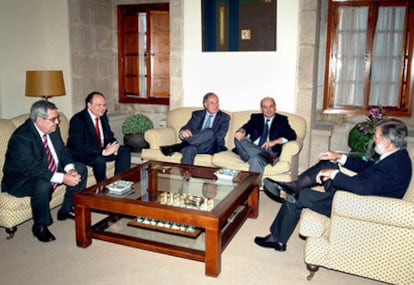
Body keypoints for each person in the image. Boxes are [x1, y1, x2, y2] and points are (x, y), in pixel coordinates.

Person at [255, 118, 412, 252]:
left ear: (388, 142)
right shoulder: (396, 155)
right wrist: (340, 157)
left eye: (376, 137)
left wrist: (334, 174)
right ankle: (294, 184)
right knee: (327, 163)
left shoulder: (396, 166)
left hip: (357, 205)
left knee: (299, 196)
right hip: (357, 193)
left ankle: (277, 238)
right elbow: (369, 168)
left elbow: (364, 189)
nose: (373, 139)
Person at [1, 100, 87, 242]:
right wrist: (63, 178)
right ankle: (40, 226)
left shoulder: (52, 129)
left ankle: (66, 209)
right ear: (39, 120)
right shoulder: (21, 137)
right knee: (43, 184)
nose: (57, 122)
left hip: (46, 168)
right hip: (22, 179)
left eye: (57, 117)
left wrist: (70, 170)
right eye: (53, 119)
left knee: (80, 169)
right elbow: (31, 169)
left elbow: (63, 151)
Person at [67, 91, 131, 182]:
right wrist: (103, 151)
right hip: (84, 153)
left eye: (104, 105)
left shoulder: (103, 116)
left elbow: (109, 136)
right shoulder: (77, 120)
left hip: (100, 150)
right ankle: (103, 188)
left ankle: (119, 182)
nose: (102, 108)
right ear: (89, 105)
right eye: (98, 105)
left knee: (125, 150)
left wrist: (114, 146)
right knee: (99, 160)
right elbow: (79, 146)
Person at [160, 92, 230, 165]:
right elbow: (186, 128)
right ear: (205, 105)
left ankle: (177, 147)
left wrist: (202, 137)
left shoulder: (224, 117)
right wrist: (183, 133)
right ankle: (185, 175)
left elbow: (219, 137)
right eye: (212, 103)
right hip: (193, 145)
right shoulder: (197, 115)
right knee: (189, 149)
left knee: (210, 132)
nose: (215, 105)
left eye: (217, 103)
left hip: (211, 146)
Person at [233, 97, 296, 176]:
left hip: (269, 150)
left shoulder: (282, 120)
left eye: (271, 106)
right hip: (250, 150)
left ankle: (253, 188)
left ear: (275, 107)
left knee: (256, 159)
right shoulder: (255, 118)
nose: (268, 110)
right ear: (261, 109)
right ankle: (268, 157)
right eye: (265, 107)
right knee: (238, 138)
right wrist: (241, 131)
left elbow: (292, 135)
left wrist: (275, 141)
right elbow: (246, 127)